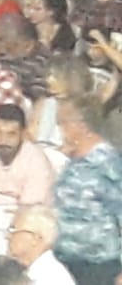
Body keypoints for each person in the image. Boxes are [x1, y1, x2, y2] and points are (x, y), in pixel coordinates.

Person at [51, 97, 122, 285]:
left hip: (98, 265)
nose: (58, 129)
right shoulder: (72, 162)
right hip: (65, 260)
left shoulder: (108, 164)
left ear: (80, 125)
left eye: (62, 123)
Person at [0, 104, 55, 207]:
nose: (3, 140)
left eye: (11, 134)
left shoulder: (37, 162)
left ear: (23, 133)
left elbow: (30, 207)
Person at [6, 205, 77, 285]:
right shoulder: (35, 272)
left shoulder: (50, 277)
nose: (7, 236)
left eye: (13, 230)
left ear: (35, 239)